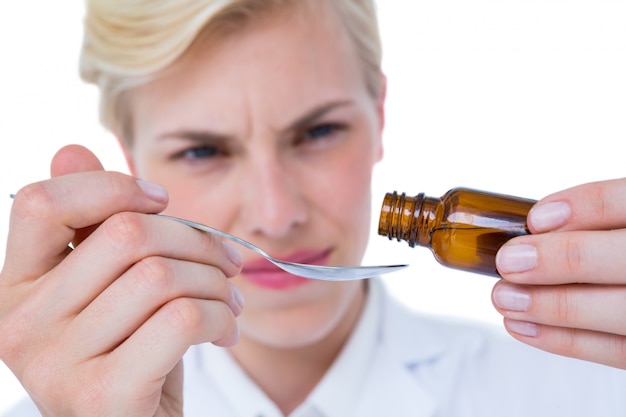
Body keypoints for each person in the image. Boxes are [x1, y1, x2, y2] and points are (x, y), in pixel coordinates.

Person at [1, 0, 625, 416]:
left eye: (318, 133)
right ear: (131, 165)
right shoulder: (62, 408)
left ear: (379, 117)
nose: (277, 215)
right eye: (202, 150)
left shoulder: (582, 391)